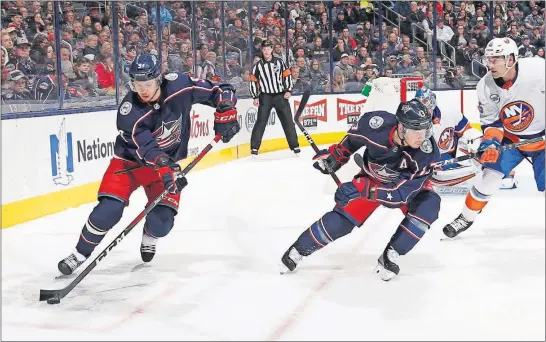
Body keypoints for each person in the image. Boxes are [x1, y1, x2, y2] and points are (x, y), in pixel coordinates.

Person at [57, 53, 240, 275]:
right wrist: (165, 166)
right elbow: (147, 149)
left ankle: (150, 234)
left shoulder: (180, 85)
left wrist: (226, 108)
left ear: (159, 79)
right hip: (129, 165)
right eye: (137, 84)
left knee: (162, 223)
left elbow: (220, 89)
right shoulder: (130, 112)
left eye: (147, 83)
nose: (142, 89)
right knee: (108, 211)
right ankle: (79, 253)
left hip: (166, 166)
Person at [280, 100, 441, 281]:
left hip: (406, 187)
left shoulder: (427, 152)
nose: (422, 136)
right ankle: (298, 250)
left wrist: (363, 189)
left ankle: (391, 255)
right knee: (342, 219)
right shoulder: (375, 124)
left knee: (429, 205)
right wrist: (335, 158)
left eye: (425, 130)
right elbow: (351, 141)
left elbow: (400, 194)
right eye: (416, 131)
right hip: (372, 178)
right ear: (401, 128)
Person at [443, 37, 545, 238]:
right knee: (488, 176)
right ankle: (466, 217)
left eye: (494, 59)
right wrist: (491, 143)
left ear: (510, 59)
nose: (489, 64)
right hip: (512, 140)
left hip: (542, 140)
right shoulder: (485, 86)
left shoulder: (538, 70)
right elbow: (492, 123)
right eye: (488, 59)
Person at [414, 87, 517, 194]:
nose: (424, 108)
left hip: (455, 154)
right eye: (419, 104)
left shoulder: (450, 113)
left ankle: (500, 171)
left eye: (426, 103)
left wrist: (480, 150)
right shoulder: (413, 124)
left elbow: (468, 131)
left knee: (474, 137)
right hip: (435, 162)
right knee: (432, 172)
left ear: (433, 103)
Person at [249, 40, 300, 156]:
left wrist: (288, 90)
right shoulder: (258, 66)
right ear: (262, 50)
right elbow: (253, 81)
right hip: (265, 96)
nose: (266, 51)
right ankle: (254, 148)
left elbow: (287, 75)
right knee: (261, 121)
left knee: (287, 121)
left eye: (268, 49)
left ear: (272, 49)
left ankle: (295, 146)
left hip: (280, 95)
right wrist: (255, 96)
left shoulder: (280, 62)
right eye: (264, 49)